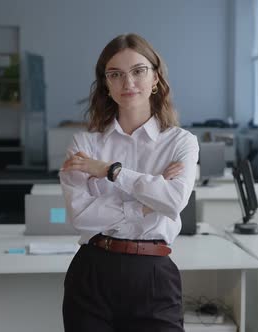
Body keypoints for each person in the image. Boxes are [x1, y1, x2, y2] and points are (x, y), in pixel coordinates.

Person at [59, 33, 199, 332]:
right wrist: (148, 203)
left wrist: (110, 171)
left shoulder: (180, 142)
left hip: (153, 275)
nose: (128, 82)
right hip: (92, 272)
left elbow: (174, 202)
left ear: (156, 79)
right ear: (106, 85)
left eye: (138, 71)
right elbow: (81, 217)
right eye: (115, 74)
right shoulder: (84, 144)